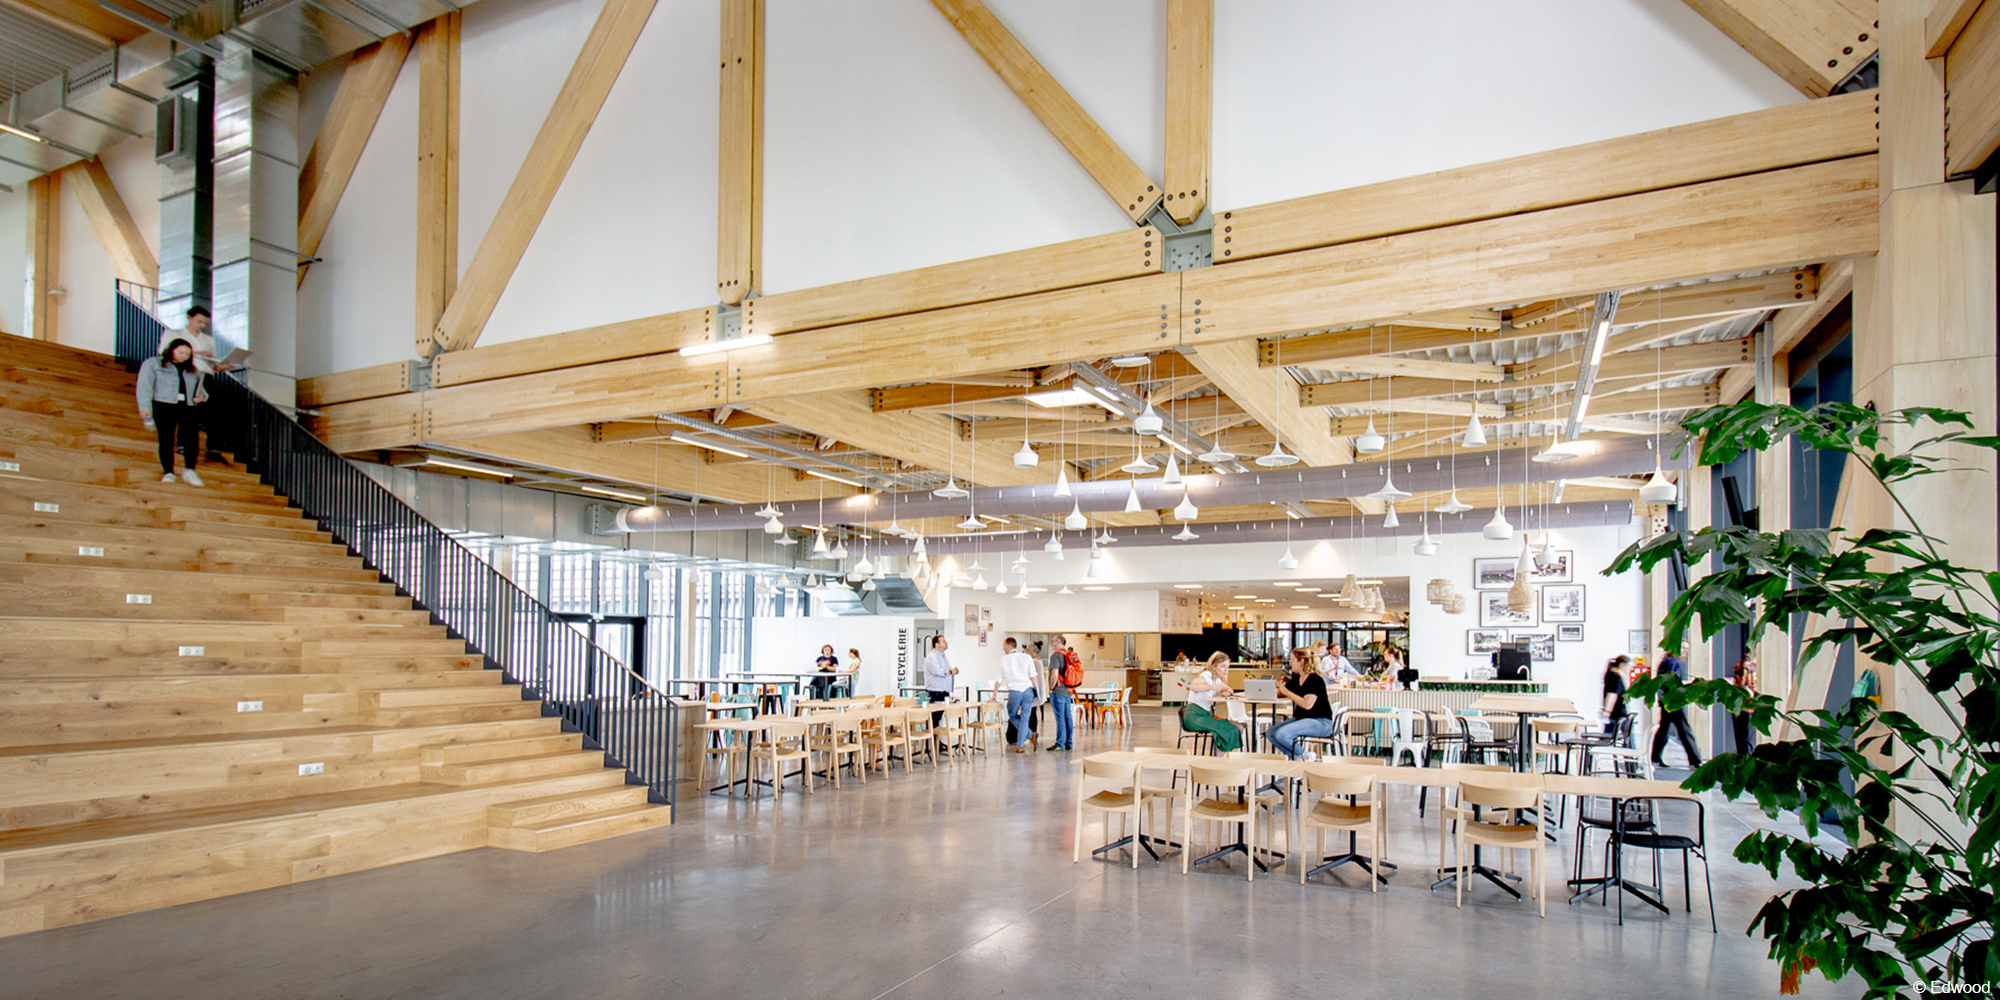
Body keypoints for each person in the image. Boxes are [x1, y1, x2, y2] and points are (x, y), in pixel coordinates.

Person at [157, 306, 235, 462]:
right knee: (186, 409)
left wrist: (222, 367)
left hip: (206, 376)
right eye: (199, 321)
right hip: (186, 373)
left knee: (212, 410)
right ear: (189, 317)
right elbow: (163, 353)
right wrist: (196, 353)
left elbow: (212, 363)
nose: (201, 325)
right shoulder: (174, 334)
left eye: (204, 323)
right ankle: (182, 445)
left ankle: (213, 447)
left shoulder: (208, 340)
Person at [136, 339, 207, 487]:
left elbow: (202, 390)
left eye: (187, 354)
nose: (184, 356)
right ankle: (168, 471)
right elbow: (144, 387)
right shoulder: (153, 364)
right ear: (171, 350)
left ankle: (189, 470)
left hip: (187, 406)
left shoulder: (192, 370)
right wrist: (145, 408)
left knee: (192, 438)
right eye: (180, 352)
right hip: (163, 405)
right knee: (166, 439)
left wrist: (202, 396)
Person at [1267, 647, 1335, 759]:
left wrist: (1287, 692)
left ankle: (1305, 756)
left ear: (1302, 662)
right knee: (1271, 733)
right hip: (1302, 719)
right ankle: (1298, 758)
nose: (1290, 663)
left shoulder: (1315, 680)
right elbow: (1281, 692)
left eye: (1293, 660)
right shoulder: (1297, 679)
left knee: (1283, 734)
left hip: (1321, 722)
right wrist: (1267, 689)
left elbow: (1307, 704)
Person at [1650, 644, 1703, 768]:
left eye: (1687, 649)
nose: (1685, 651)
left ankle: (1655, 757)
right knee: (1684, 730)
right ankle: (1695, 760)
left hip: (1666, 700)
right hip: (1673, 701)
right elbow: (1673, 683)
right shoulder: (1674, 662)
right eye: (1683, 648)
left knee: (1664, 729)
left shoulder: (1666, 661)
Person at [1180, 651, 1243, 753]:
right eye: (1223, 666)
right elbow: (1193, 686)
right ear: (1214, 667)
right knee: (1228, 729)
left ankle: (1219, 757)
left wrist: (1227, 692)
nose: (1226, 670)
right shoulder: (1207, 675)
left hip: (1205, 715)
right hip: (1194, 717)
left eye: (1227, 667)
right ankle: (1218, 759)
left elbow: (1230, 689)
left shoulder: (1217, 679)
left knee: (1237, 727)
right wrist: (1213, 687)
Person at [998, 637, 1039, 754]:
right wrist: (1036, 691)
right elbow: (1033, 676)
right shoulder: (1027, 657)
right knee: (1025, 717)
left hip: (1014, 691)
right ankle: (1021, 745)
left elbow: (999, 679)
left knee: (1012, 715)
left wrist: (994, 693)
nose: (1003, 647)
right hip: (1028, 691)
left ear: (1009, 646)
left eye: (1004, 645)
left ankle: (1029, 735)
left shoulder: (1004, 659)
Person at [1046, 635, 1078, 752]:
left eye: (1053, 641)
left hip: (1058, 690)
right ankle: (1069, 742)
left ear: (1058, 642)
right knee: (1067, 716)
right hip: (1067, 690)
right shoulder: (1068, 655)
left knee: (1060, 718)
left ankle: (1060, 743)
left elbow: (1054, 674)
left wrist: (1051, 688)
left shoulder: (1056, 656)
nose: (1051, 643)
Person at [923, 635, 957, 725]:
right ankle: (931, 738)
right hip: (936, 692)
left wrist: (952, 672)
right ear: (936, 644)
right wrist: (950, 671)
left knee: (938, 718)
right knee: (934, 717)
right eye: (943, 641)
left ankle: (936, 738)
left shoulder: (944, 657)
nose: (946, 643)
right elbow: (937, 671)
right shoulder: (932, 657)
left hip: (944, 691)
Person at [1731, 654, 1758, 754]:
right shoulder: (1748, 665)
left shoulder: (1743, 664)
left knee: (1742, 738)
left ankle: (1743, 758)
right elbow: (1744, 685)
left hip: (1740, 705)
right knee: (1747, 738)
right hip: (1746, 705)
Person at [1602, 655, 1632, 736]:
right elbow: (1612, 695)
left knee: (1608, 735)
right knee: (1629, 739)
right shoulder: (1615, 677)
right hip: (1617, 713)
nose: (1630, 669)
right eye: (1629, 666)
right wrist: (1607, 710)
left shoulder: (1616, 675)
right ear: (1622, 665)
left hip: (1617, 713)